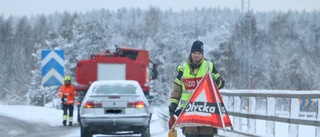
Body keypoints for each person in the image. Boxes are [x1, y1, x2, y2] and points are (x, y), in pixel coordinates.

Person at [169, 40, 225, 137]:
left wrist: (215, 80)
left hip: (206, 112)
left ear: (202, 54)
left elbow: (221, 84)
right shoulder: (183, 69)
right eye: (194, 53)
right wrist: (173, 106)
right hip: (188, 112)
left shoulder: (209, 66)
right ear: (191, 54)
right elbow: (177, 90)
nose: (196, 55)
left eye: (199, 53)